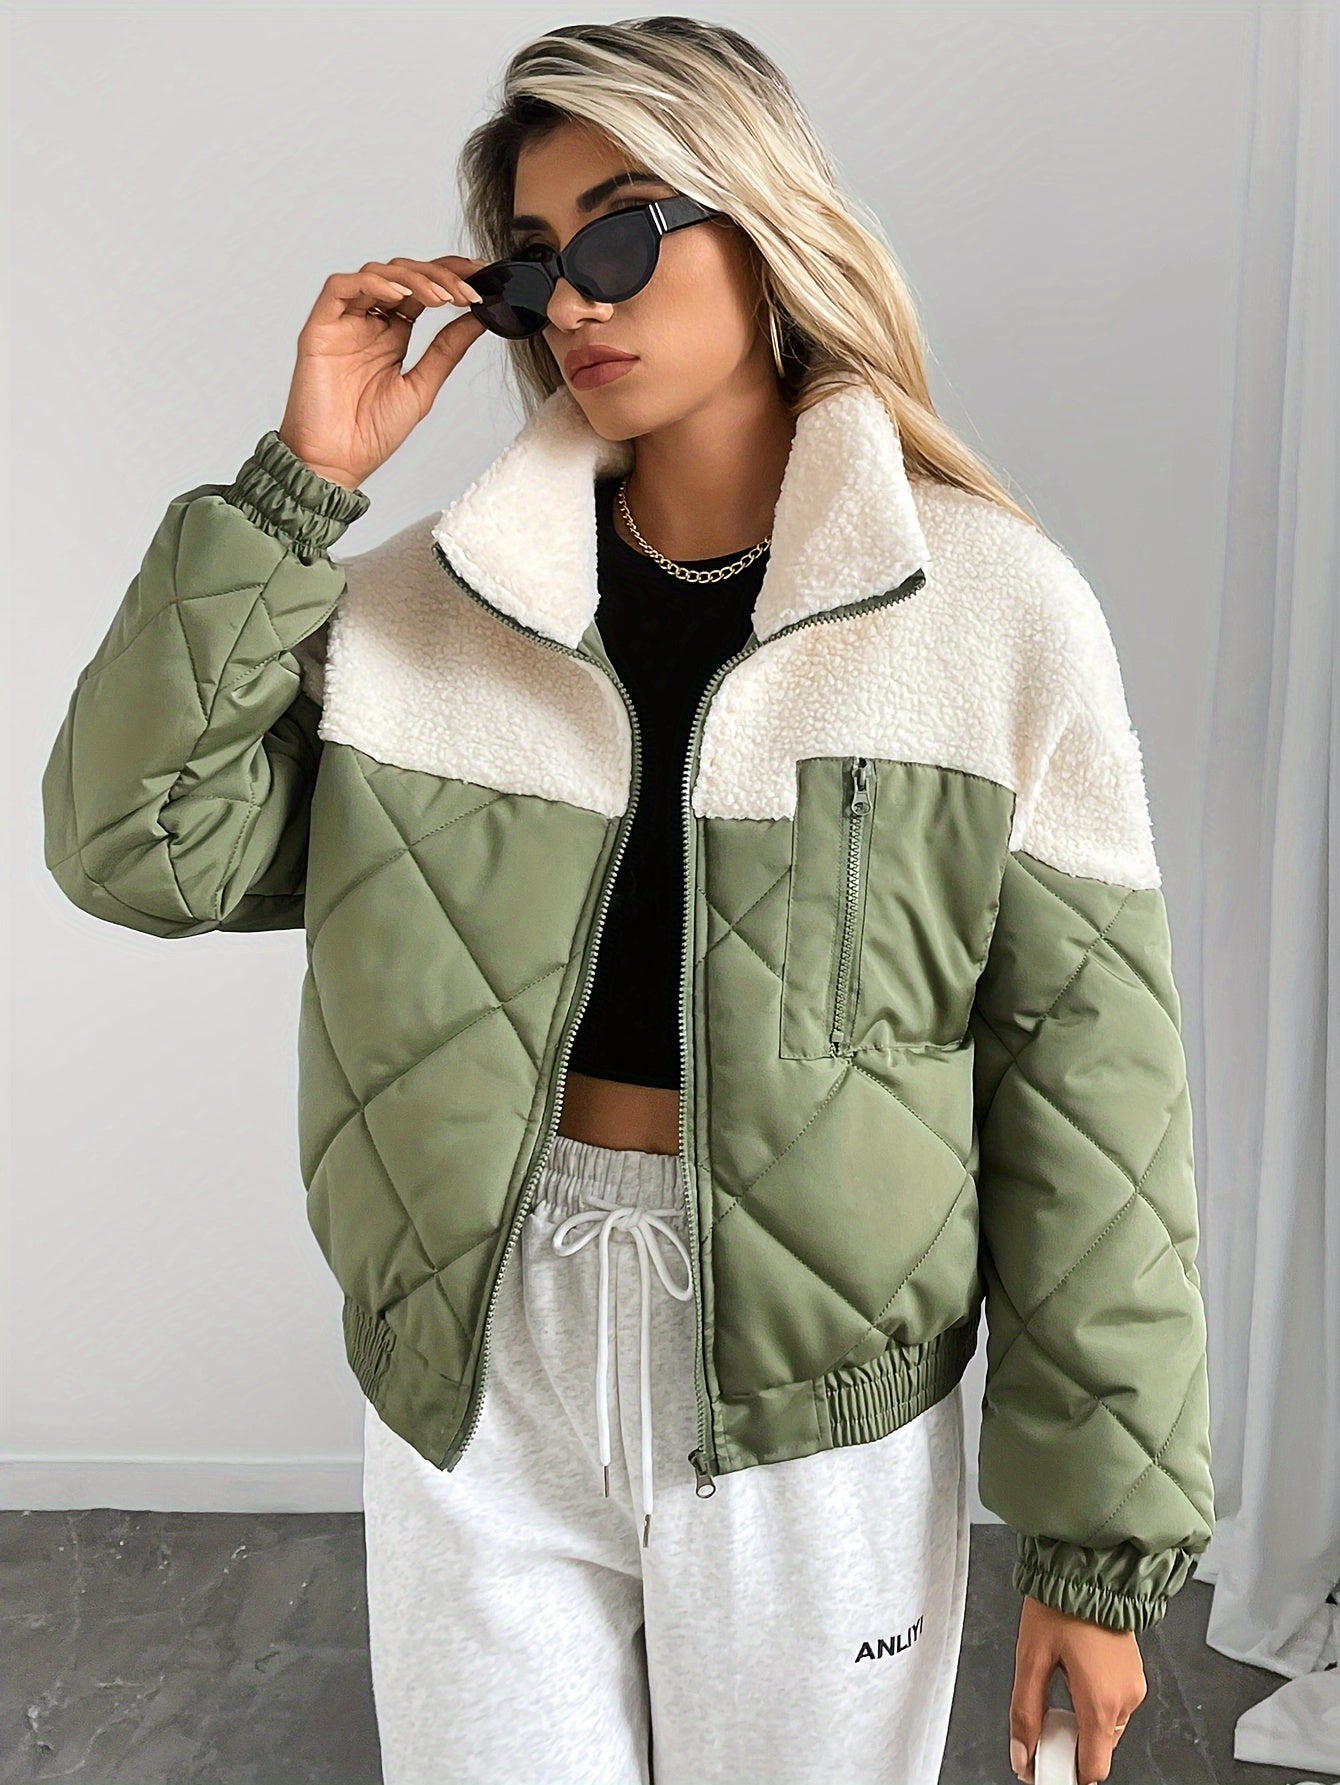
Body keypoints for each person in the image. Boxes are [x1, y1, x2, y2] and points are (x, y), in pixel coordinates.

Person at [41, 15, 1215, 1785]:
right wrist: (299, 485)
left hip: (814, 1390)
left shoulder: (987, 611)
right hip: (480, 1357)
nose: (572, 300)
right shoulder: (424, 611)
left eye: (620, 234)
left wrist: (1098, 1546)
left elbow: (1092, 1098)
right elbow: (131, 841)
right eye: (531, 263)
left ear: (764, 222)